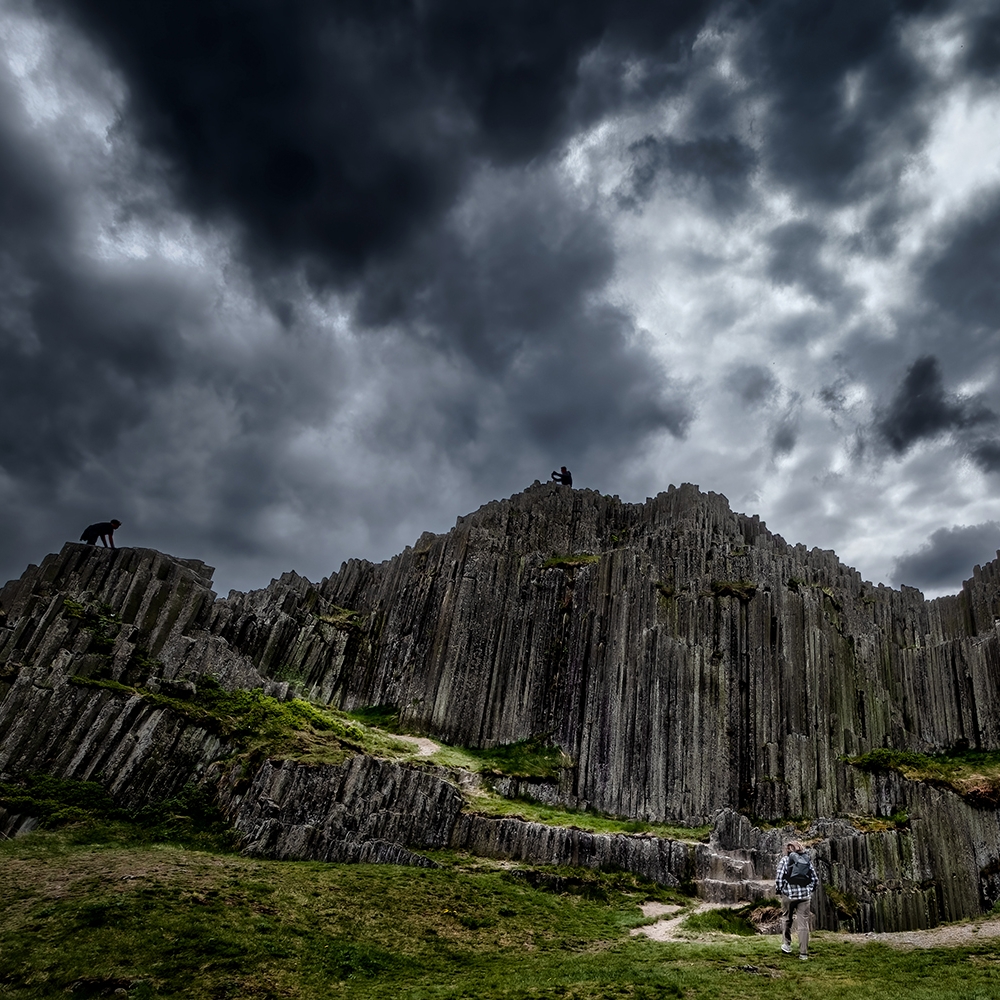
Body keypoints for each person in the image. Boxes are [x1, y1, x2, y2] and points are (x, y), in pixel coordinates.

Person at [775, 839, 818, 960]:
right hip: (804, 896)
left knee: (786, 918)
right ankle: (803, 953)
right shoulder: (806, 860)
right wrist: (809, 890)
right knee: (803, 924)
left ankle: (787, 944)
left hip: (788, 895)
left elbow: (779, 878)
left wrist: (780, 890)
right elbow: (815, 879)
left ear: (788, 849)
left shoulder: (784, 860)